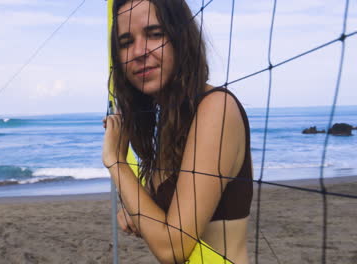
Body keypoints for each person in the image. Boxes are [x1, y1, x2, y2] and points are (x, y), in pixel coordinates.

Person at [102, 0, 253, 263]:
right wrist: (136, 211)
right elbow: (164, 218)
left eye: (155, 34)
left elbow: (172, 247)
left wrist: (116, 162)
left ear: (180, 38)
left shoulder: (216, 107)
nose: (138, 51)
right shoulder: (171, 120)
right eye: (126, 42)